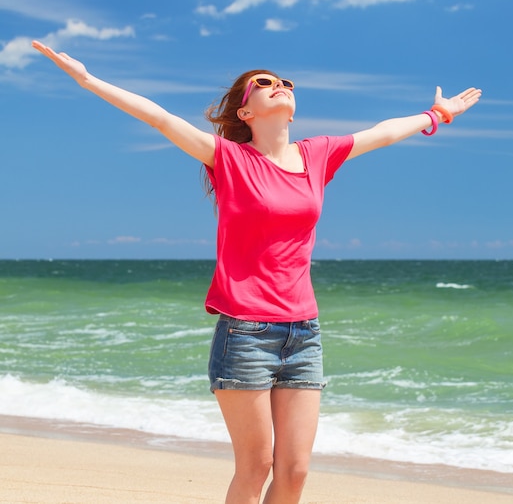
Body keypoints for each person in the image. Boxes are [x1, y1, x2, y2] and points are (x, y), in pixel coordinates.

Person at [31, 40, 481, 504]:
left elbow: (382, 132)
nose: (279, 86)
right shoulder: (228, 159)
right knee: (256, 465)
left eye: (285, 82)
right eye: (263, 84)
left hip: (304, 333)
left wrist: (436, 115)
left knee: (295, 471)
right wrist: (87, 80)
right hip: (245, 332)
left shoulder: (318, 155)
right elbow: (160, 117)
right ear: (245, 113)